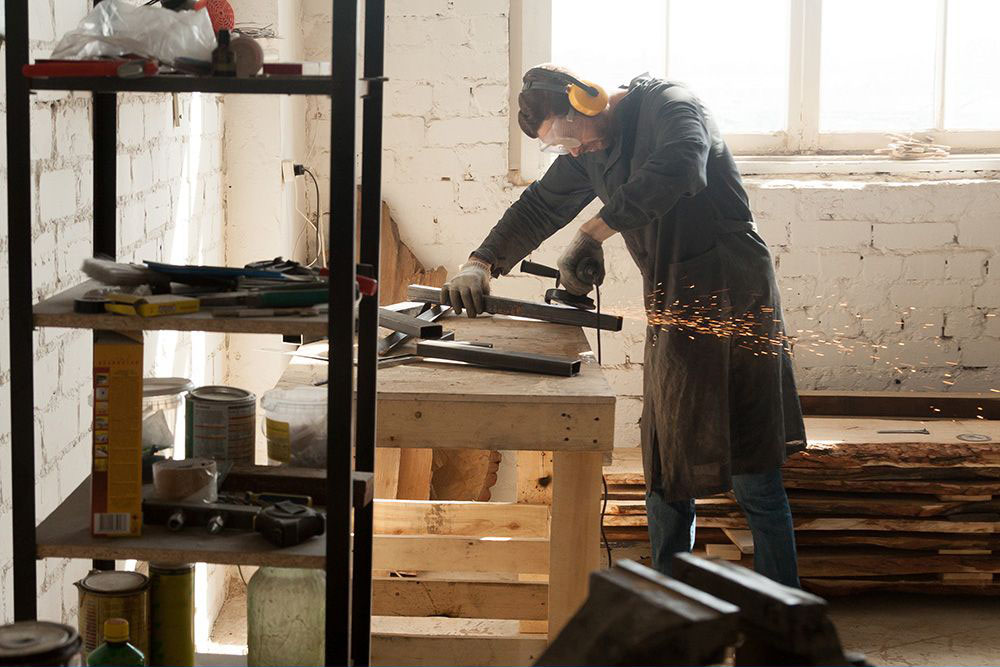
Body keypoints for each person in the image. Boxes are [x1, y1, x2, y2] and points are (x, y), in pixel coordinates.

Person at [442, 65, 806, 587]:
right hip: (672, 292)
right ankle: (669, 604)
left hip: (732, 288)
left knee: (753, 467)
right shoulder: (589, 149)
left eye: (571, 141)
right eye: (560, 150)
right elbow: (540, 207)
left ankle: (785, 615)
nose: (574, 156)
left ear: (587, 101)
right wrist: (480, 262)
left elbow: (681, 167)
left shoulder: (671, 106)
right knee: (666, 459)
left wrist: (593, 232)